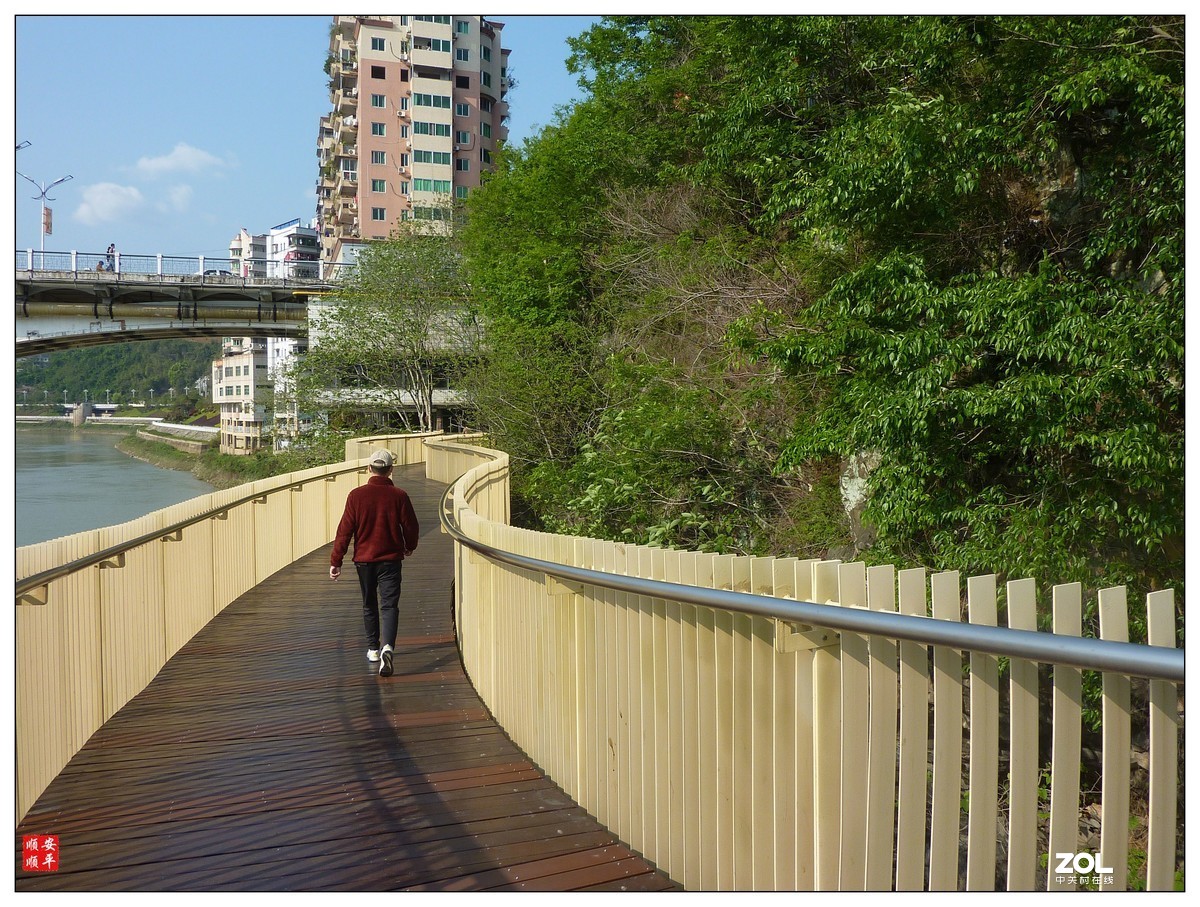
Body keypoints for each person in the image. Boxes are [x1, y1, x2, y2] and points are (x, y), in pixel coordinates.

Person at [329, 448, 419, 677]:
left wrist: (336, 561)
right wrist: (409, 546)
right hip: (390, 559)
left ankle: (372, 649)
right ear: (390, 470)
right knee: (389, 605)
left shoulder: (356, 496)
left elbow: (344, 531)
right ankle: (387, 646)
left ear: (369, 469)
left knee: (369, 603)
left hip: (364, 560)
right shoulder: (399, 495)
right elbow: (410, 527)